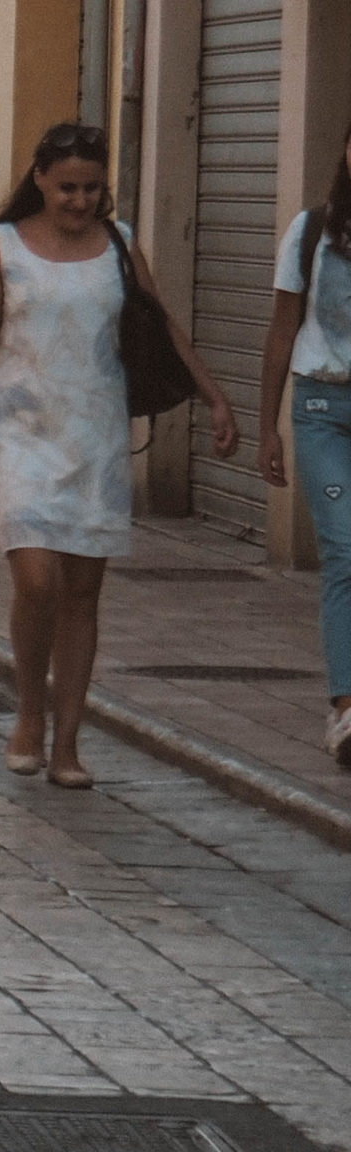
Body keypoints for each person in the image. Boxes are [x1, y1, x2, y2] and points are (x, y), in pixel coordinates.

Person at [0, 121, 236, 790]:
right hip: (24, 433)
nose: (79, 201)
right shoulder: (4, 248)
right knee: (36, 580)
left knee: (83, 589)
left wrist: (214, 397)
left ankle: (67, 741)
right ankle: (29, 712)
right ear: (39, 178)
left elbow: (163, 328)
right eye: (68, 187)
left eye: (92, 189)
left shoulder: (119, 247)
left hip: (95, 436)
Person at [257, 118, 351, 770]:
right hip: (322, 407)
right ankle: (346, 708)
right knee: (346, 546)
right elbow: (282, 330)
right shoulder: (311, 232)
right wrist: (267, 427)